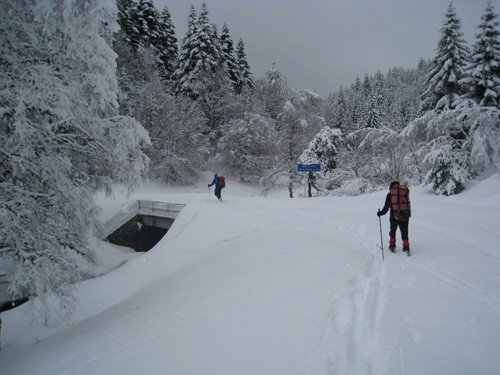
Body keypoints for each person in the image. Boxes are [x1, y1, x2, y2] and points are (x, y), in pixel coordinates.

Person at [377, 181, 411, 253]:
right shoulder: (404, 193)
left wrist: (380, 213)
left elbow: (386, 207)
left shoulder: (390, 194)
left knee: (393, 231)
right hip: (405, 215)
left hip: (394, 216)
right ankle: (406, 246)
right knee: (404, 232)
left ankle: (392, 244)